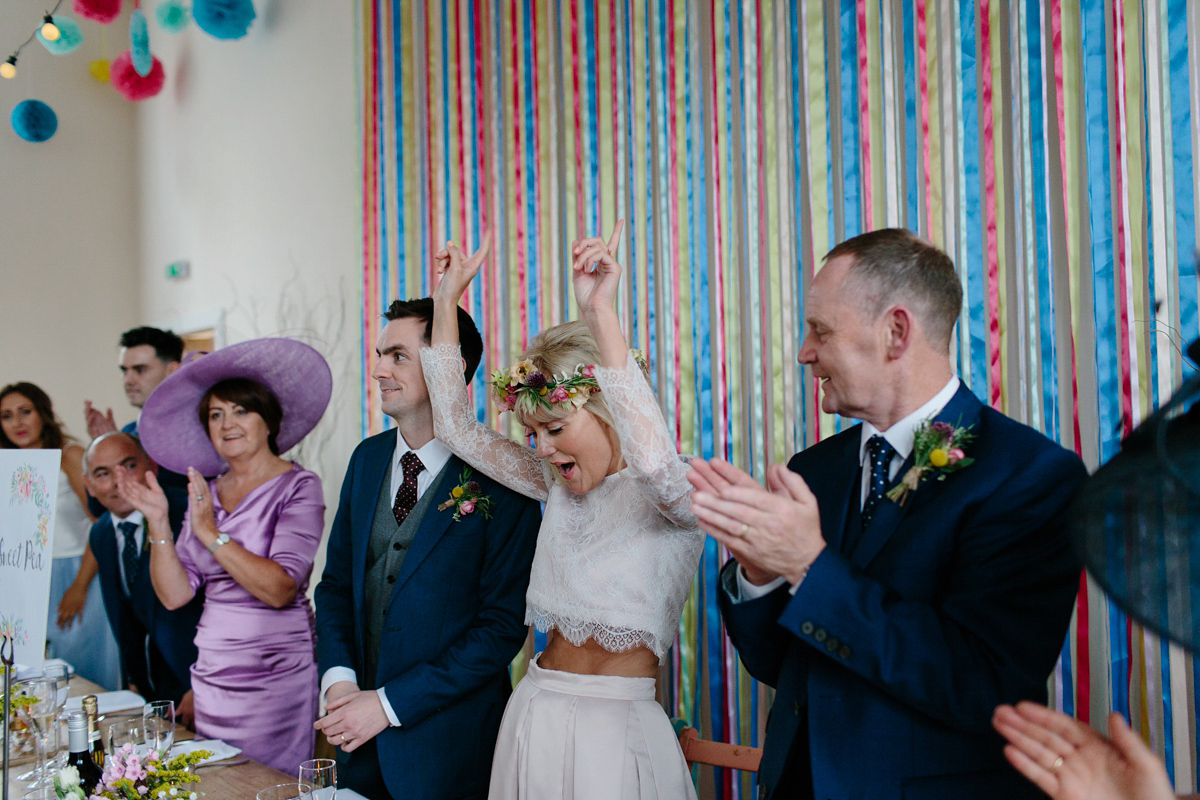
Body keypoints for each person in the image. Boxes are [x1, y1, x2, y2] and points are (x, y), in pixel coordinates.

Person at [688, 228, 1088, 799]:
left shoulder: (1028, 476)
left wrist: (808, 565)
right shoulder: (814, 469)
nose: (805, 352)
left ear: (895, 332)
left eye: (820, 331)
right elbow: (785, 667)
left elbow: (982, 683)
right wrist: (760, 574)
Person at [421, 224, 703, 799]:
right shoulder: (551, 483)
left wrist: (599, 310)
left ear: (605, 406)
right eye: (531, 433)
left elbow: (650, 461)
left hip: (619, 729)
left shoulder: (681, 488)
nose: (542, 449)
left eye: (554, 428)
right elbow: (453, 426)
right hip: (535, 713)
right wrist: (447, 302)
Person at [313, 298, 541, 800]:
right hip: (356, 744)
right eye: (379, 355)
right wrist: (340, 682)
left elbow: (501, 629)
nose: (377, 370)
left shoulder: (506, 480)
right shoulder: (366, 459)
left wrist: (389, 704)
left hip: (451, 750)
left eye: (396, 356)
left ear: (448, 367)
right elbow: (333, 588)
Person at [116, 338, 331, 775]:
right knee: (217, 783)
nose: (227, 423)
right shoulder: (206, 494)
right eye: (215, 415)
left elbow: (279, 589)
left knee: (272, 786)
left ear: (268, 421)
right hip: (213, 675)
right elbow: (175, 595)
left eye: (239, 411)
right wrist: (158, 522)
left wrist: (211, 536)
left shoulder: (299, 487)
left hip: (276, 678)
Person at [0, 382, 120, 689]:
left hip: (79, 572)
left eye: (25, 412)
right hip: (25, 576)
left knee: (83, 669)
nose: (18, 423)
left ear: (43, 413)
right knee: (30, 673)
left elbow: (102, 522)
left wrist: (79, 585)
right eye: (7, 416)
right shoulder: (6, 465)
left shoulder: (69, 455)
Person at [83, 432, 203, 726]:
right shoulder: (100, 533)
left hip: (198, 680)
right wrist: (135, 680)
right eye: (103, 473)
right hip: (152, 689)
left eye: (129, 466)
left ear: (152, 466)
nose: (118, 481)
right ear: (89, 485)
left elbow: (217, 605)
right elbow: (123, 615)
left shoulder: (188, 513)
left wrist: (202, 685)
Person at [83, 327, 188, 518]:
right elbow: (101, 511)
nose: (128, 380)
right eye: (124, 371)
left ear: (172, 370)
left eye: (140, 370)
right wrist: (108, 448)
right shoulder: (128, 431)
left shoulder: (198, 430)